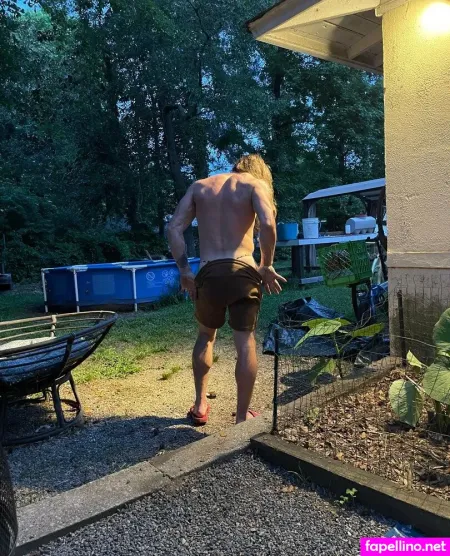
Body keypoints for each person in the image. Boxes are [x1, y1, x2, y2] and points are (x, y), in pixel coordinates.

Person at [167, 154, 286, 425]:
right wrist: (266, 265)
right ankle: (242, 418)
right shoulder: (254, 184)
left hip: (208, 272)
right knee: (245, 342)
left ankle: (200, 405)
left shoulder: (199, 186)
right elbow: (268, 224)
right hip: (243, 270)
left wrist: (185, 271)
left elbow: (173, 228)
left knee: (205, 337)